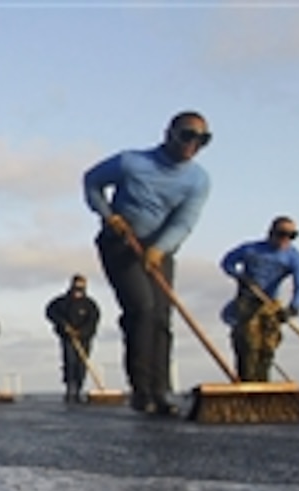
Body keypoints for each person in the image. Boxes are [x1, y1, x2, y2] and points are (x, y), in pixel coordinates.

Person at [83, 111, 212, 416]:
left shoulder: (198, 180)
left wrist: (160, 248)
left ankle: (161, 389)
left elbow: (185, 220)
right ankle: (142, 391)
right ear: (169, 133)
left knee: (162, 318)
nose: (192, 144)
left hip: (159, 251)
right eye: (187, 135)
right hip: (120, 244)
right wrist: (107, 214)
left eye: (202, 139)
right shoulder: (132, 162)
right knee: (142, 309)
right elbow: (91, 181)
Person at [220, 216, 299, 382]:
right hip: (247, 302)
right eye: (282, 234)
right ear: (271, 233)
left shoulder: (295, 258)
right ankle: (246, 382)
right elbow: (227, 262)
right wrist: (241, 277)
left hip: (270, 305)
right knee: (248, 345)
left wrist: (293, 308)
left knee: (267, 347)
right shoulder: (251, 249)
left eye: (291, 235)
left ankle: (263, 386)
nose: (285, 239)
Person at [44, 274, 101, 403]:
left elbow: (93, 321)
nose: (78, 289)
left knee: (82, 364)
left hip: (84, 338)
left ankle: (79, 389)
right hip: (67, 338)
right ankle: (70, 388)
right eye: (76, 286)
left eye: (81, 286)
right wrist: (63, 325)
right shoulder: (61, 302)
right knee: (70, 362)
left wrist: (82, 332)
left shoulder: (90, 305)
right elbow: (50, 312)